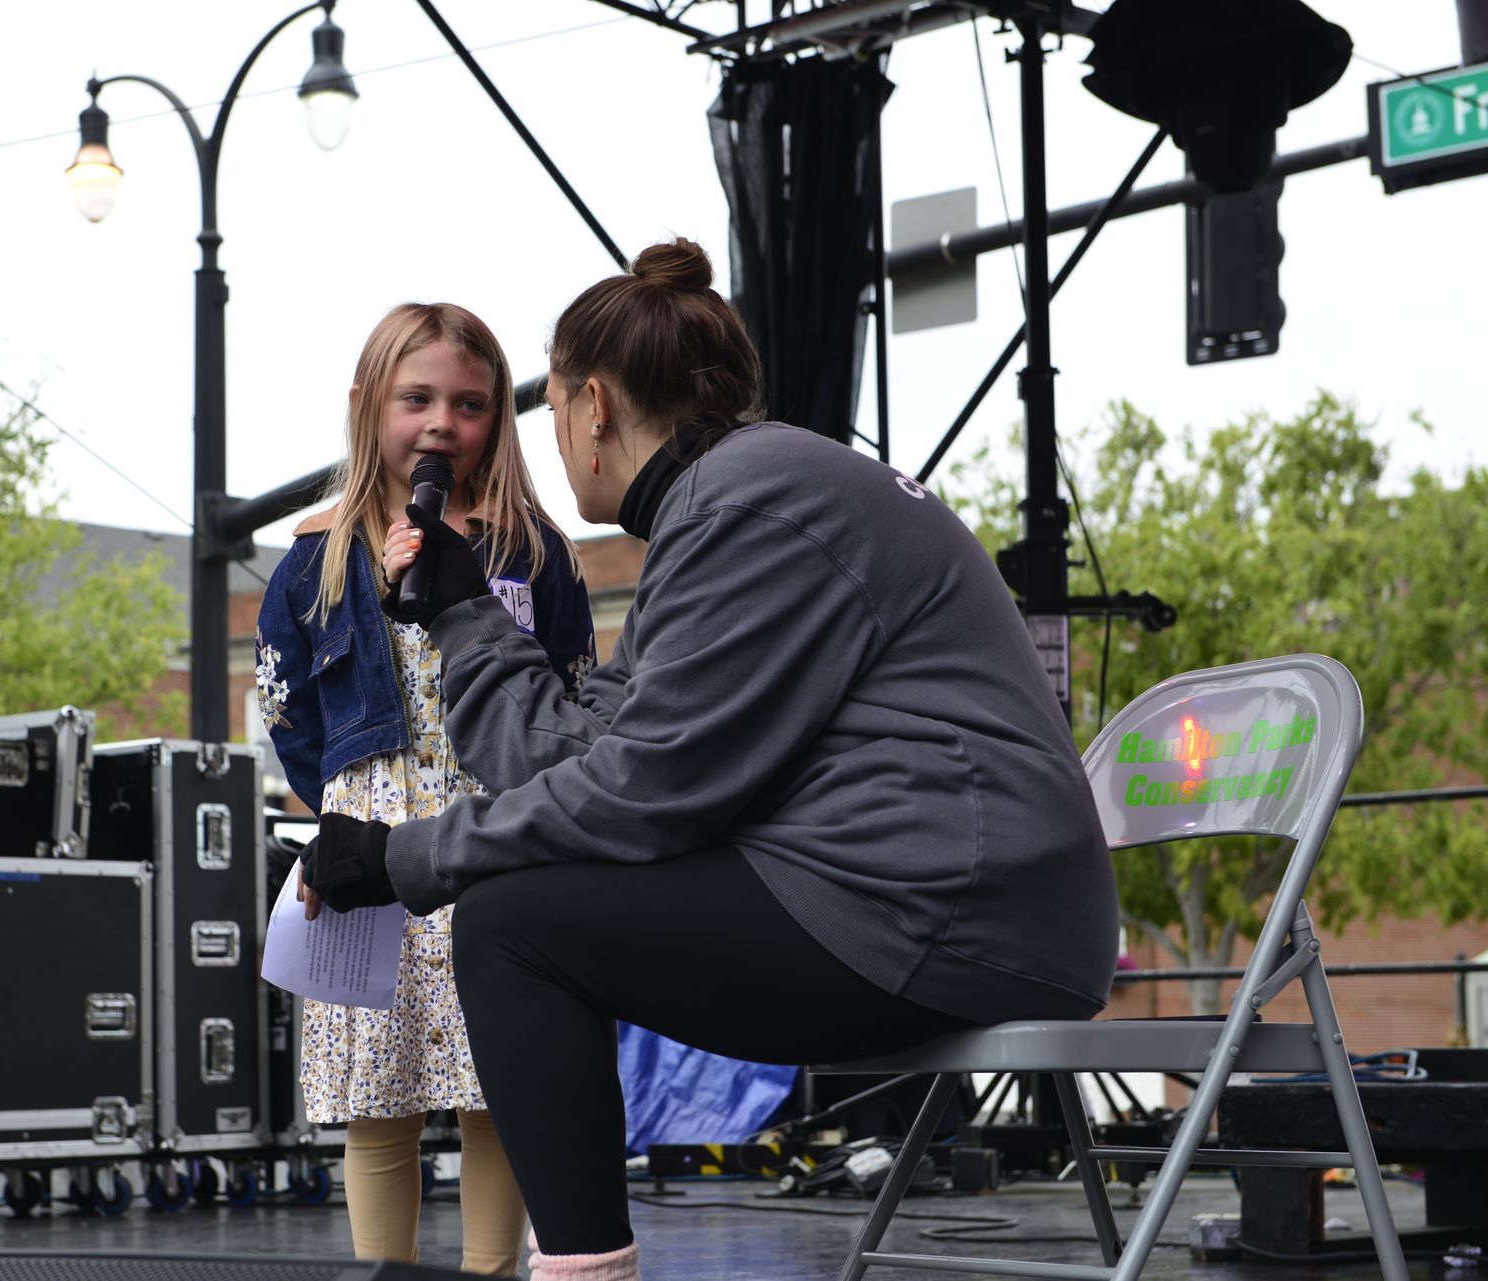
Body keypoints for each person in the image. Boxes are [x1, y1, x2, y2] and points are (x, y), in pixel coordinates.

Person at [305, 239, 1119, 1280]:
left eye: (550, 415)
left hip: (945, 913)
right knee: (522, 905)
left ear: (594, 406)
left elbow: (645, 793)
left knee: (514, 925)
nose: (555, 444)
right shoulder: (730, 503)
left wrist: (405, 859)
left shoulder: (751, 503)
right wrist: (464, 612)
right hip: (947, 902)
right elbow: (565, 753)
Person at [256, 301, 595, 1275]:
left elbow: (571, 692)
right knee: (380, 1090)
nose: (442, 422)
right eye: (417, 398)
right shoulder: (316, 558)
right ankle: (386, 1270)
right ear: (368, 407)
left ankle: (492, 1270)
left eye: (470, 402)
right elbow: (290, 715)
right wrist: (351, 799)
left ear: (501, 418)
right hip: (369, 833)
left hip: (491, 823)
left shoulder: (530, 550)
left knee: (497, 1079)